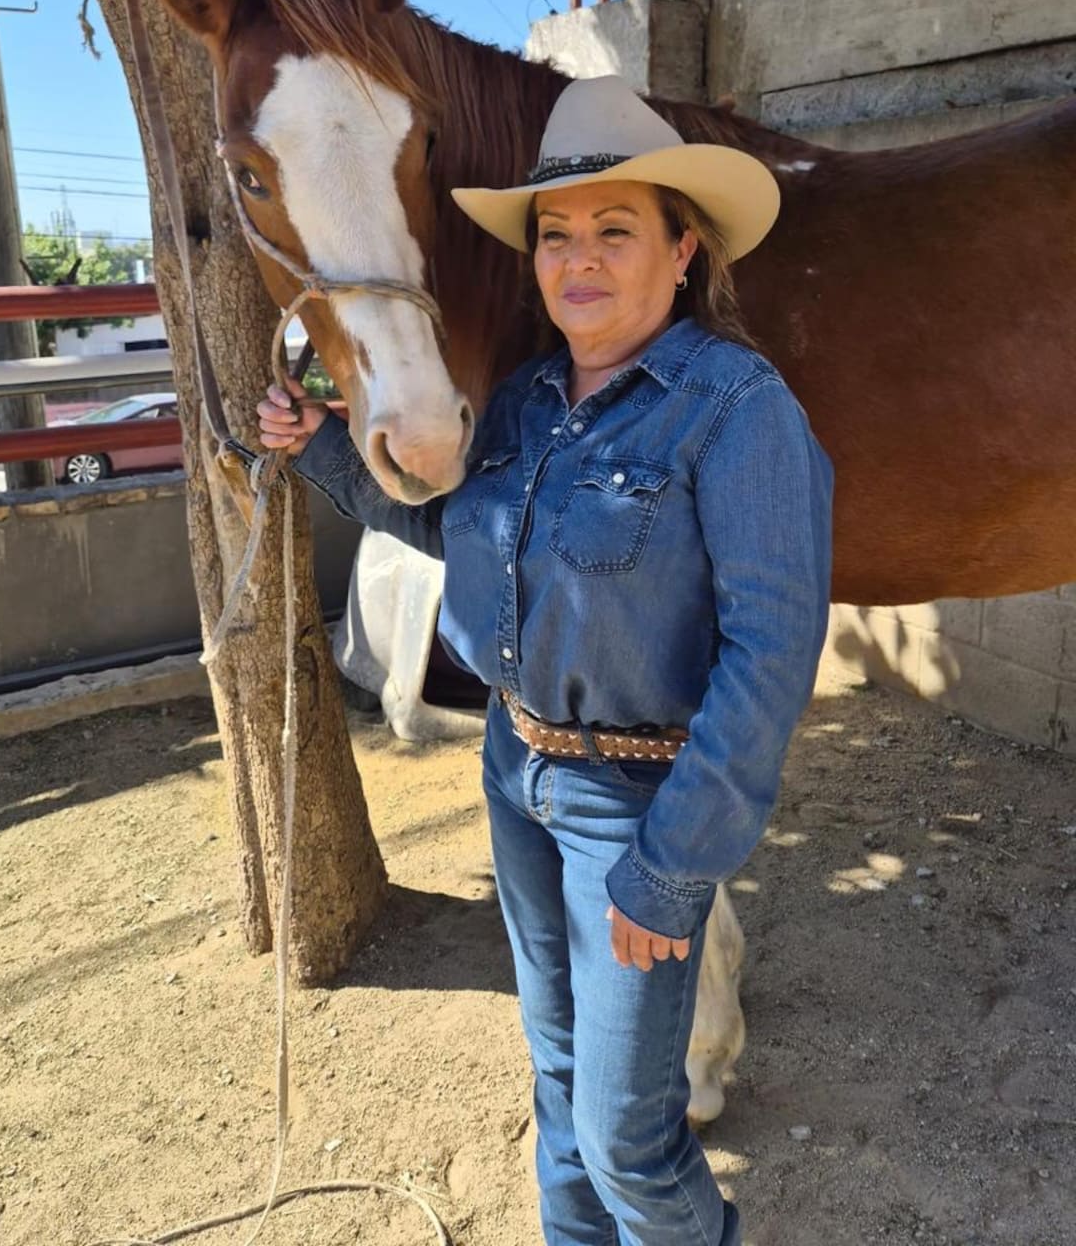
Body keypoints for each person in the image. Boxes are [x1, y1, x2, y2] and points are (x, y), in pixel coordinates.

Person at [257, 76, 833, 1246]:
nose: (578, 259)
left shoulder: (734, 409)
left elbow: (774, 651)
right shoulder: (522, 401)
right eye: (556, 235)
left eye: (614, 231)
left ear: (682, 252)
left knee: (631, 1135)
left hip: (639, 805)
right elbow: (455, 536)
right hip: (517, 774)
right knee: (558, 1075)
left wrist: (674, 868)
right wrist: (325, 452)